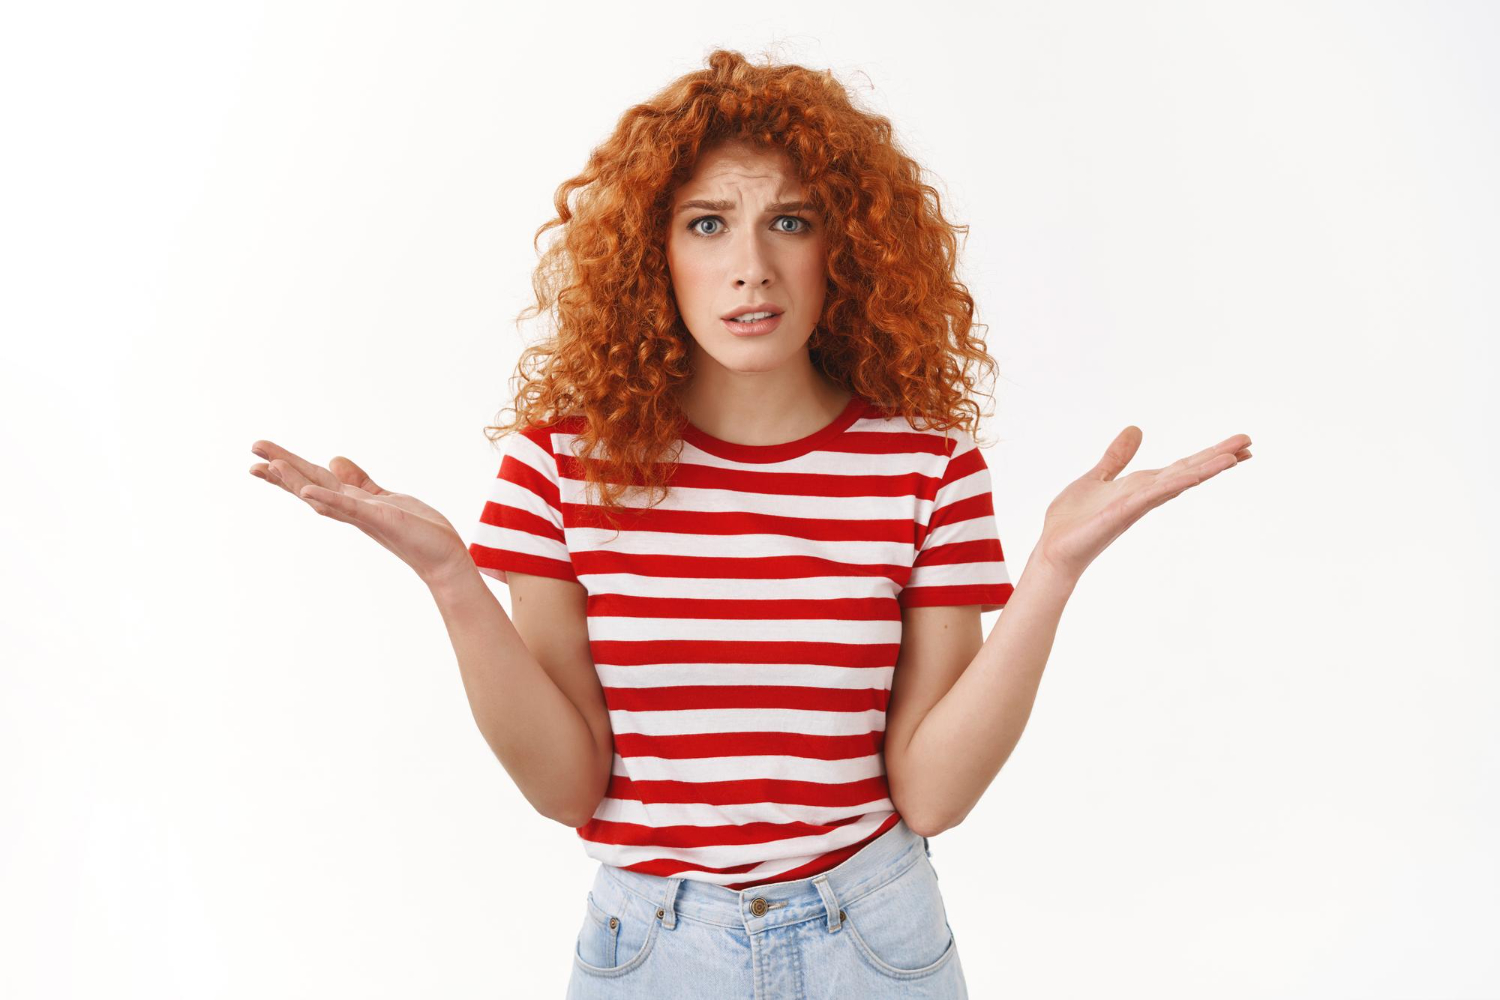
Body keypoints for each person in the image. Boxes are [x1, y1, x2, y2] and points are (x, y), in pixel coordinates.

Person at [248, 48, 1252, 999]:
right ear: (655, 251)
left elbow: (933, 795)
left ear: (844, 247)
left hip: (876, 939)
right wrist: (453, 582)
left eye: (791, 222)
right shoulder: (558, 464)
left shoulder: (926, 467)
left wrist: (1053, 571)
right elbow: (568, 786)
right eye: (707, 224)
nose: (750, 268)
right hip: (650, 947)